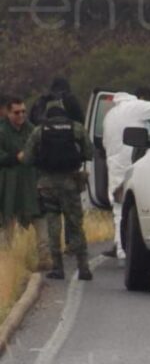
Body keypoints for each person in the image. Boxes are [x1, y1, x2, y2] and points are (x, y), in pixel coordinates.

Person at [20, 100, 93, 281]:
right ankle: (84, 268)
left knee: (53, 225)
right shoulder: (75, 128)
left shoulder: (39, 130)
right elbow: (90, 152)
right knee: (76, 224)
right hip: (71, 182)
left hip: (47, 184)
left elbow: (28, 159)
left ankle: (58, 269)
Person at [100, 90, 150, 259]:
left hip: (114, 164)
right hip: (133, 161)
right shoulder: (134, 107)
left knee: (117, 207)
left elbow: (104, 142)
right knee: (139, 203)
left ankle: (120, 247)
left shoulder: (109, 116)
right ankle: (137, 246)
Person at [0, 97, 50, 269]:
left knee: (39, 215)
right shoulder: (2, 131)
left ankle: (45, 257)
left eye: (23, 111)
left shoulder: (32, 130)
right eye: (16, 112)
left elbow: (42, 152)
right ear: (8, 112)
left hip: (31, 182)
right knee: (8, 222)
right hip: (9, 184)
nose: (21, 115)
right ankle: (6, 261)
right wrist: (15, 157)